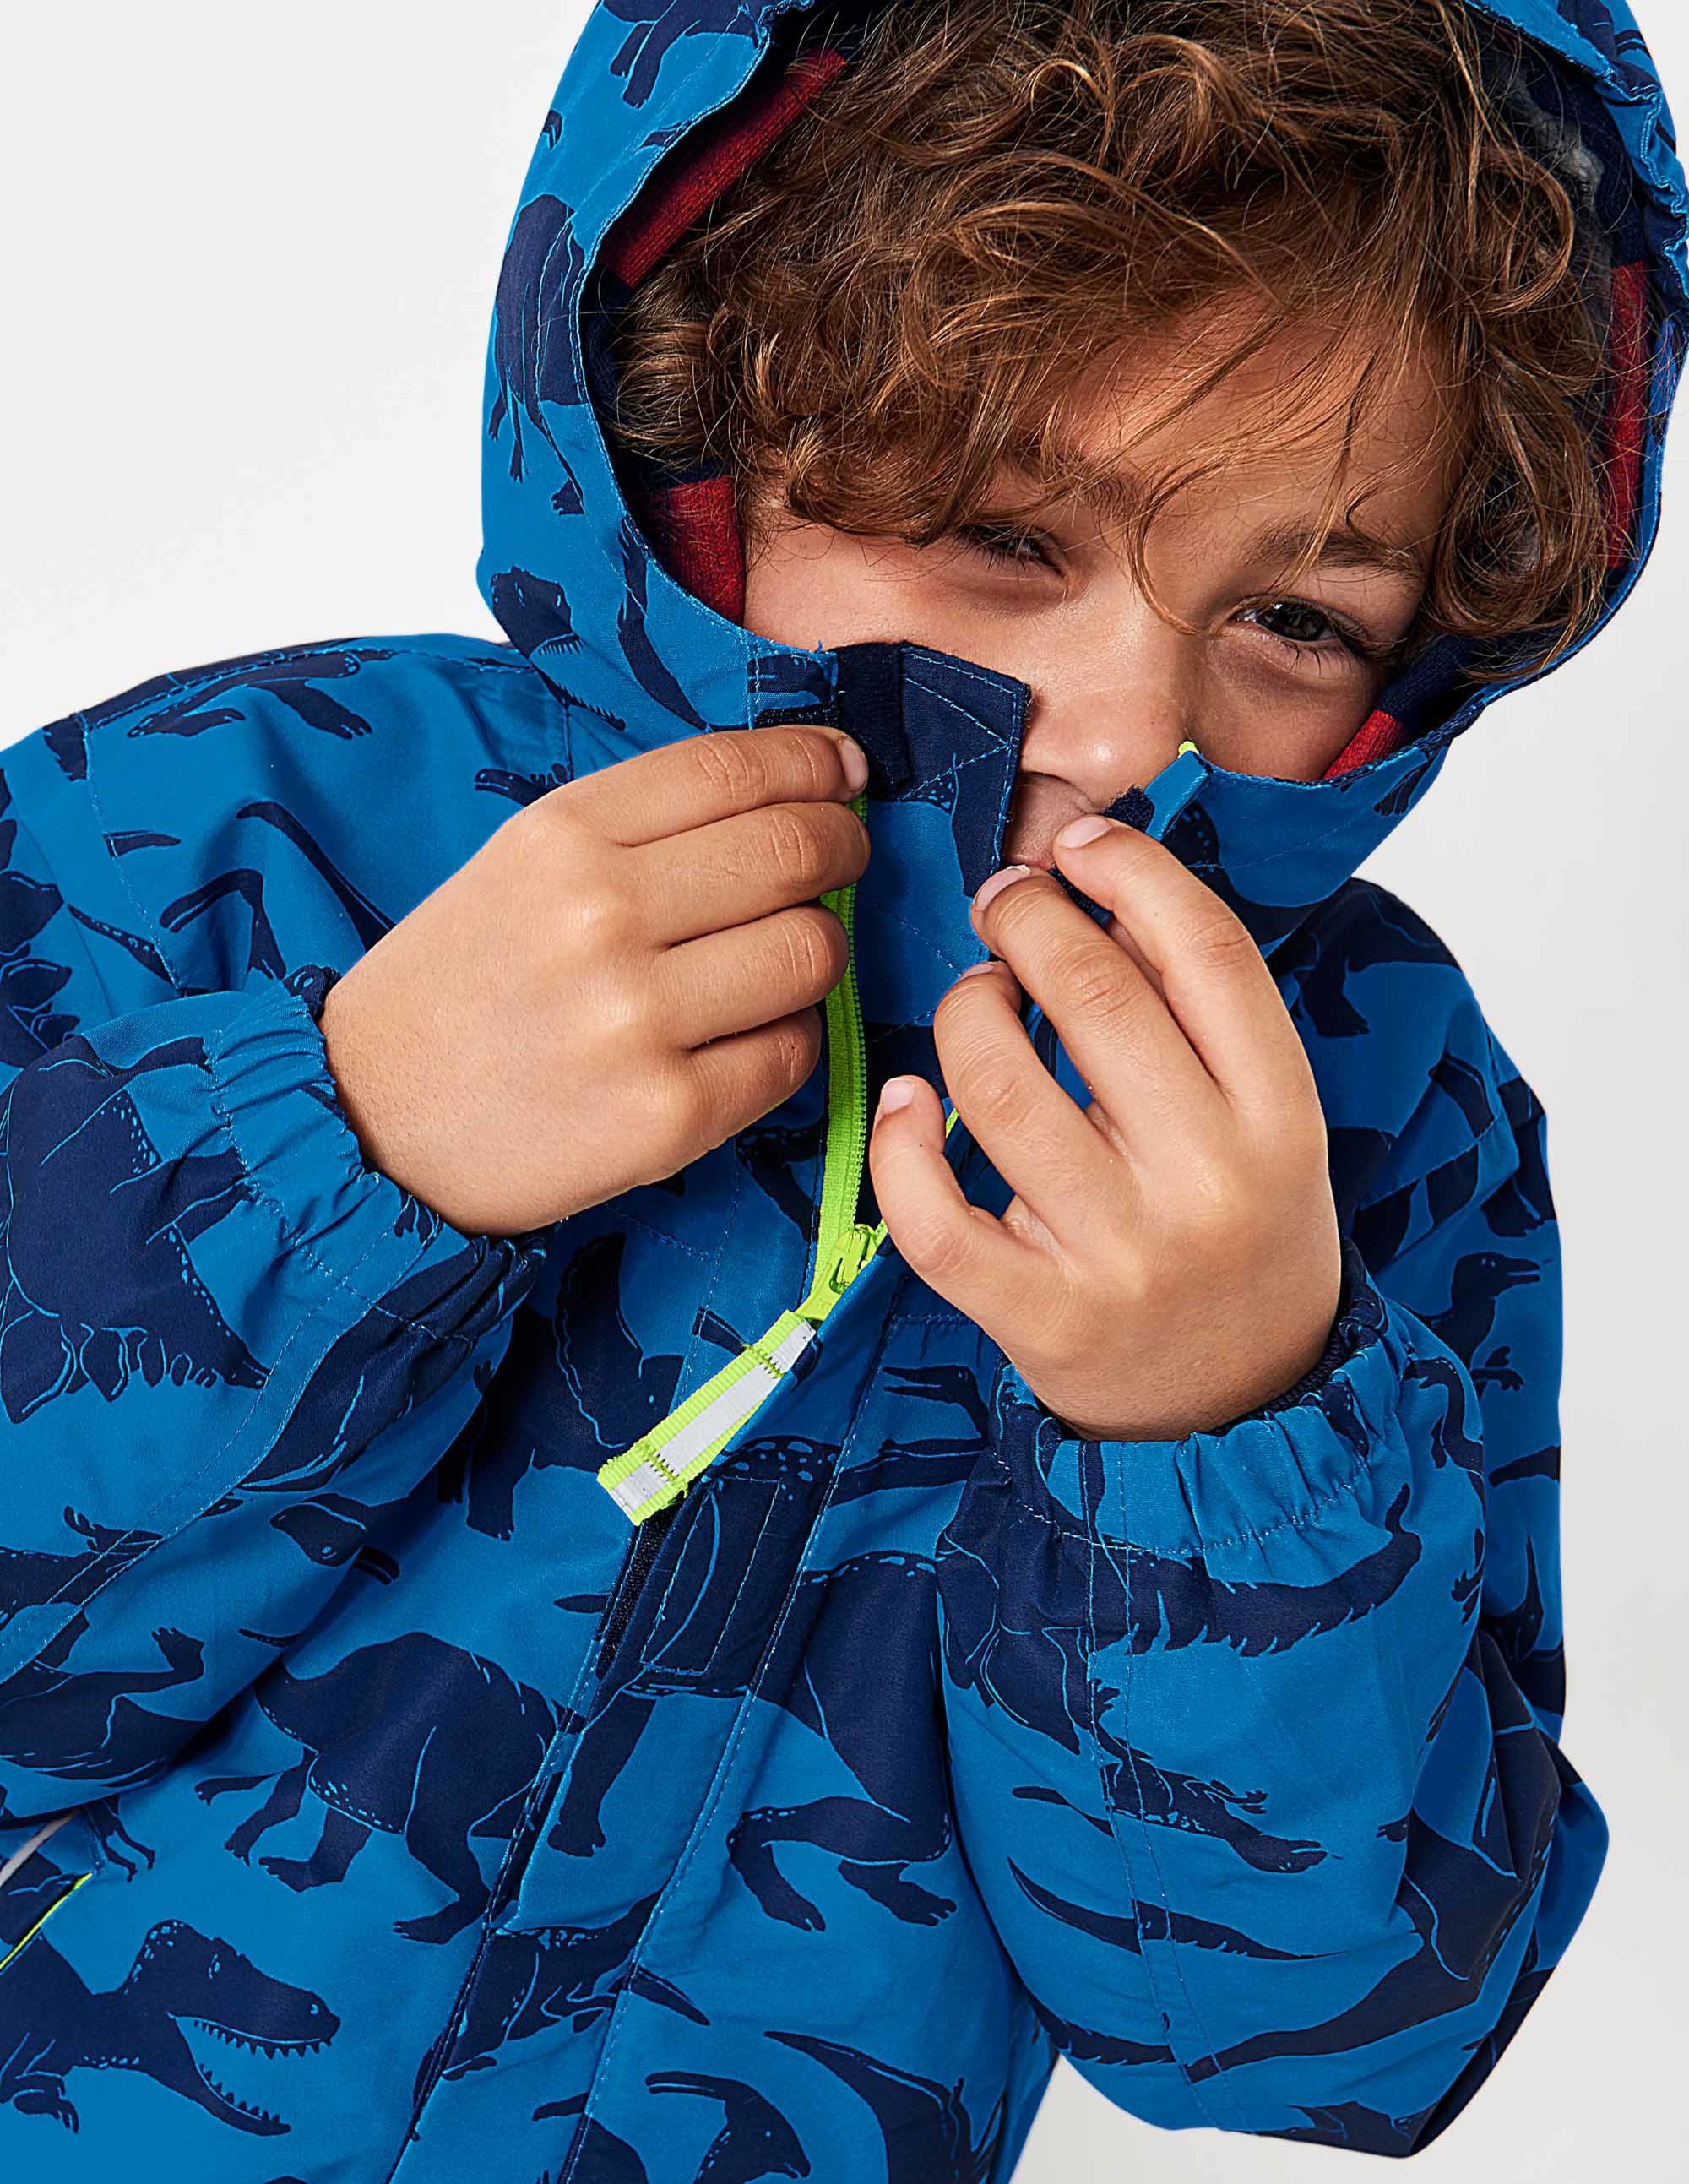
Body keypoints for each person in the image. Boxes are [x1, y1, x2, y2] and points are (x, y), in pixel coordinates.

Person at [0, 0, 1681, 2175]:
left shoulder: (1362, 1114)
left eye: (1292, 615)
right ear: (691, 447)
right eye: (1001, 533)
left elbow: (1315, 2050)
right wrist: (328, 1154)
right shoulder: (235, 833)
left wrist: (1224, 1441)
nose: (1120, 729)